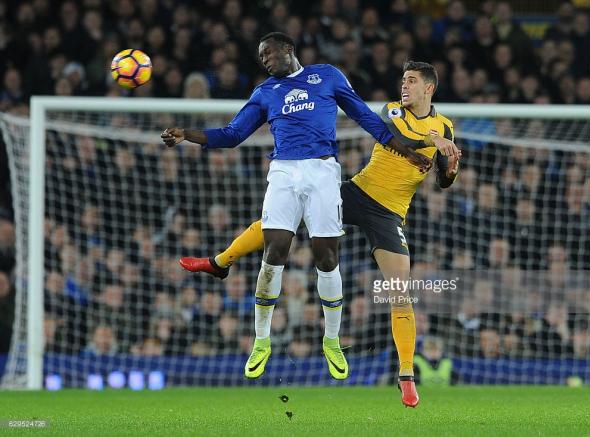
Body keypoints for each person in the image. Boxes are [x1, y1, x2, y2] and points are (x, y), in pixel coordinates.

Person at [162, 33, 459, 384]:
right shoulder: (270, 93)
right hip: (325, 181)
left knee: (365, 273)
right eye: (260, 58)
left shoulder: (329, 77)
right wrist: (188, 135)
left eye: (268, 53)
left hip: (359, 193)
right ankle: (227, 275)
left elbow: (383, 133)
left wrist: (445, 167)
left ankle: (377, 362)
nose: (265, 61)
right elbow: (233, 133)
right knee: (276, 235)